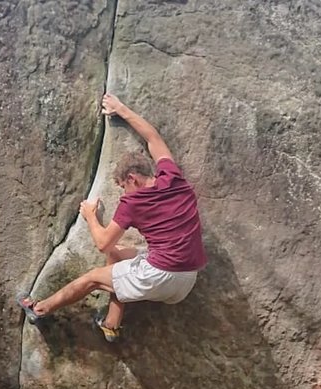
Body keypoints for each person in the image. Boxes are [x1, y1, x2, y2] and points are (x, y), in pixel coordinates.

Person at [17, 93, 207, 342]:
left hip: (161, 275)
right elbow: (153, 137)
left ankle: (39, 309)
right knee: (117, 254)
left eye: (122, 186)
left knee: (92, 278)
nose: (122, 192)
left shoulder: (133, 202)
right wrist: (121, 109)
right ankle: (111, 324)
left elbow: (102, 242)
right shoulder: (173, 178)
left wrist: (90, 216)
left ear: (132, 179)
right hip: (188, 278)